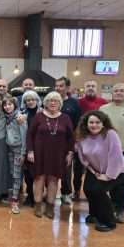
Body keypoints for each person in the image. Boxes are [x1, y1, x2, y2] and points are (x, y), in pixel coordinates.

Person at [76, 110, 124, 232]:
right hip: (95, 169)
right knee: (88, 189)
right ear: (86, 124)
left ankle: (109, 221)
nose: (94, 125)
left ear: (103, 123)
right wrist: (94, 173)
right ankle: (95, 214)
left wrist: (108, 176)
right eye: (91, 122)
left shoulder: (110, 134)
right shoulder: (83, 136)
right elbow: (83, 157)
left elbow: (116, 157)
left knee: (98, 191)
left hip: (117, 170)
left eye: (97, 122)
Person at [27, 92, 74, 219]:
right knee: (39, 178)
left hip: (58, 154)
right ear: (46, 103)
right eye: (50, 101)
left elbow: (70, 137)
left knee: (54, 179)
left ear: (60, 103)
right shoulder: (38, 117)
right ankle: (37, 206)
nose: (52, 103)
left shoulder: (65, 118)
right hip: (39, 152)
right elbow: (30, 134)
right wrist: (30, 151)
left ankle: (49, 207)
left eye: (56, 101)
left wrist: (70, 153)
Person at [100, 82, 124, 224]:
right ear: (111, 93)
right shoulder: (104, 108)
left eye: (122, 90)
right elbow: (99, 127)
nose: (118, 93)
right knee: (111, 178)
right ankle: (112, 203)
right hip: (108, 152)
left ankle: (121, 209)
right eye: (116, 90)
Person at [71, 80, 108, 202]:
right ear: (84, 88)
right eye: (88, 86)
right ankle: (76, 190)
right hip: (82, 138)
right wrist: (76, 140)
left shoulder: (104, 103)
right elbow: (75, 121)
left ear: (96, 88)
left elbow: (106, 123)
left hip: (98, 141)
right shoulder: (78, 102)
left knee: (97, 167)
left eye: (93, 86)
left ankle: (98, 192)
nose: (90, 88)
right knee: (78, 168)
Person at [55, 77, 81, 205]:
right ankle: (50, 192)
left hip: (67, 141)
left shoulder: (74, 103)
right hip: (51, 140)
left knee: (66, 167)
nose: (58, 88)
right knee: (50, 167)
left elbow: (78, 124)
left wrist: (75, 142)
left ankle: (65, 193)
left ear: (67, 88)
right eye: (56, 85)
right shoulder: (51, 101)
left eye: (61, 86)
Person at [2, 96, 27, 214]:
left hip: (18, 148)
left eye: (9, 104)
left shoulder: (19, 118)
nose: (7, 107)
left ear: (14, 105)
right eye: (5, 105)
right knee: (12, 173)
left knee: (17, 175)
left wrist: (23, 153)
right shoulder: (5, 117)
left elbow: (24, 136)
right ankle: (12, 196)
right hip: (9, 148)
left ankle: (14, 201)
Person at [20, 90, 43, 207]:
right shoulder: (22, 114)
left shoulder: (43, 113)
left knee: (38, 173)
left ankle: (37, 197)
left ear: (37, 100)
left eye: (33, 99)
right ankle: (29, 195)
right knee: (28, 174)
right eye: (28, 100)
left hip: (41, 147)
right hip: (27, 146)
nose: (30, 102)